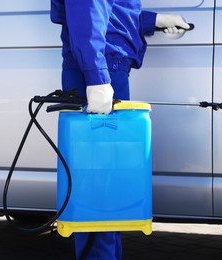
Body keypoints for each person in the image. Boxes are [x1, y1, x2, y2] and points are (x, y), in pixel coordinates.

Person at [50, 1, 190, 259]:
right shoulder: (98, 72)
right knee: (99, 186)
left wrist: (152, 20)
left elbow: (110, 10)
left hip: (105, 65)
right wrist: (96, 77)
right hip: (101, 68)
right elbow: (86, 10)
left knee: (107, 185)